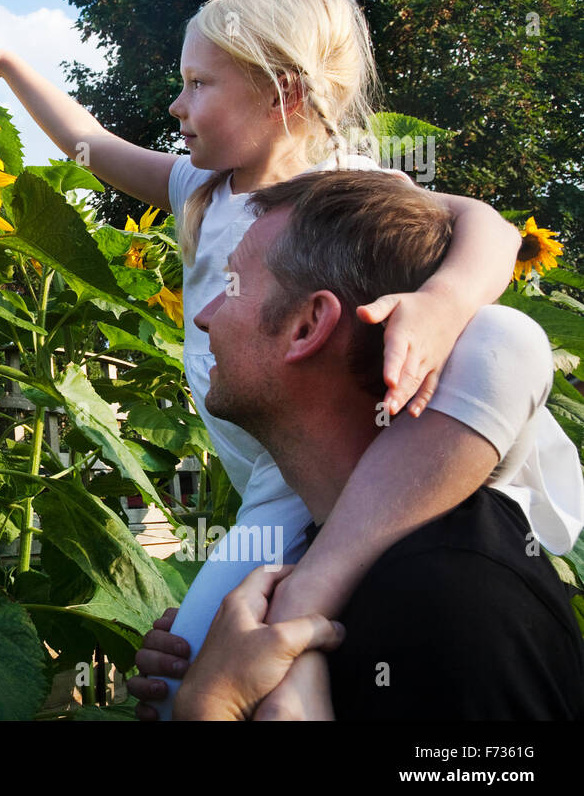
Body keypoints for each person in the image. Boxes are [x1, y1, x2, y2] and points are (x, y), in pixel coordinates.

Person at [0, 0, 584, 717]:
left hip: (379, 455)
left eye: (199, 83)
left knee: (498, 341)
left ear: (282, 94)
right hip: (275, 488)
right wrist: (11, 65)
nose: (177, 105)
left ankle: (318, 599)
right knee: (184, 687)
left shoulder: (344, 192)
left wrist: (444, 302)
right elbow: (96, 147)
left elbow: (487, 225)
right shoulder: (201, 189)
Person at [172, 169, 584, 719]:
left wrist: (210, 703)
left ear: (308, 325)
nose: (200, 316)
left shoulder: (448, 602)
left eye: (230, 287)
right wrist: (201, 660)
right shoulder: (306, 567)